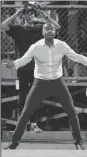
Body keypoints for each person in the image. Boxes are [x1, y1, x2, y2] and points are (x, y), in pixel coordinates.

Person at [3, 23, 87, 150]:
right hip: (40, 83)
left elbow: (76, 57)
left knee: (71, 111)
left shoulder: (61, 45)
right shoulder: (36, 46)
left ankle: (78, 142)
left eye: (51, 29)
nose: (49, 30)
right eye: (46, 29)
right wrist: (14, 64)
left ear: (55, 32)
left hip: (57, 82)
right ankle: (14, 143)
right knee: (26, 113)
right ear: (42, 32)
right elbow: (24, 60)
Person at [1, 3, 60, 132]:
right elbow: (3, 25)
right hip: (22, 68)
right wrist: (16, 14)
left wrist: (46, 17)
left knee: (35, 96)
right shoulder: (19, 29)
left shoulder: (39, 28)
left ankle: (33, 123)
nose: (30, 15)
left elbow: (57, 27)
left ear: (35, 15)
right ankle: (22, 123)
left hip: (36, 68)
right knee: (22, 96)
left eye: (32, 13)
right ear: (24, 15)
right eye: (27, 13)